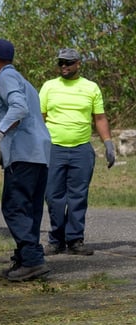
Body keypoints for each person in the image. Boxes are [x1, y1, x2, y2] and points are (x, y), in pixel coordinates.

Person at [0, 39, 52, 282]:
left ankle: (32, 261)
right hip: (39, 154)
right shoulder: (25, 82)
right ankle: (25, 257)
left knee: (14, 206)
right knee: (29, 209)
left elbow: (18, 109)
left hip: (24, 154)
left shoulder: (6, 78)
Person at [39, 47, 116, 257]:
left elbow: (99, 118)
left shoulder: (91, 88)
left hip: (81, 149)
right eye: (61, 63)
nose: (64, 66)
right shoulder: (49, 87)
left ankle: (75, 240)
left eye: (68, 63)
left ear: (78, 64)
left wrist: (108, 142)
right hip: (54, 149)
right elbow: (40, 118)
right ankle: (56, 240)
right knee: (54, 196)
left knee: (77, 196)